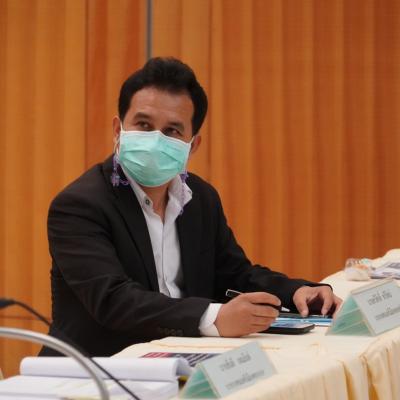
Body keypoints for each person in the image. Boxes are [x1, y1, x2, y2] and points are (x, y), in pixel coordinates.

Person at [41, 57, 341, 357]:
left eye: (172, 131)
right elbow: (113, 300)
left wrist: (295, 292)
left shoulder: (200, 198)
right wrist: (213, 318)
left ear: (192, 145)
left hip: (182, 360)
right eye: (143, 125)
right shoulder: (80, 206)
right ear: (118, 129)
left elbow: (233, 273)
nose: (155, 140)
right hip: (95, 369)